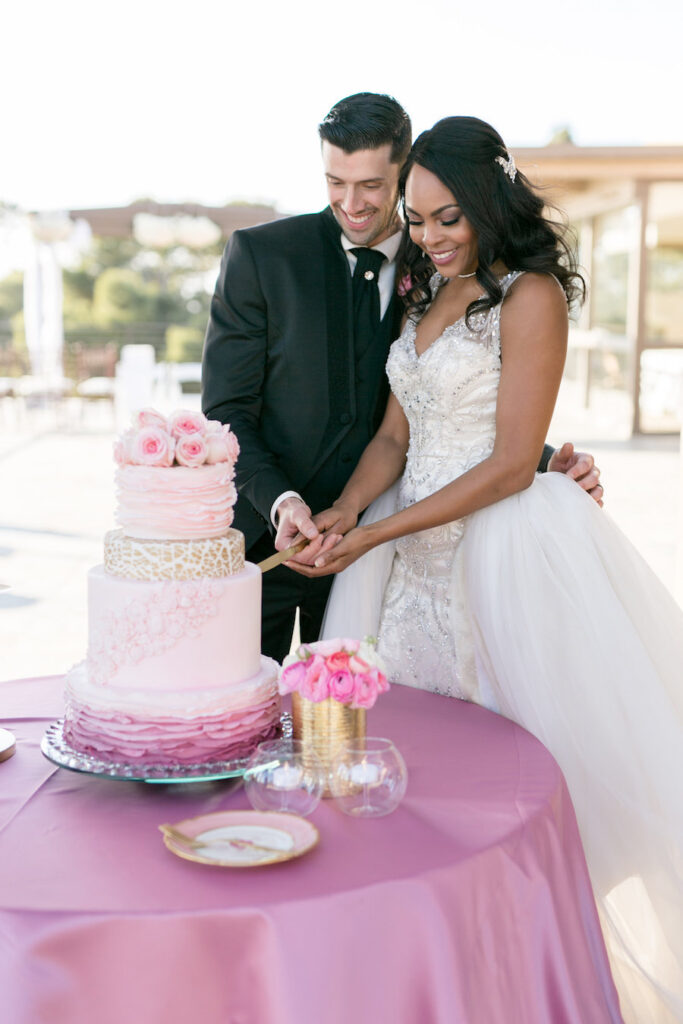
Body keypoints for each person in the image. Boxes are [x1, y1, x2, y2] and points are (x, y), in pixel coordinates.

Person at [291, 116, 683, 1024]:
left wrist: (377, 537)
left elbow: (511, 463)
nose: (427, 237)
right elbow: (396, 434)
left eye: (446, 218)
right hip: (407, 565)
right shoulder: (426, 290)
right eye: (418, 219)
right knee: (413, 771)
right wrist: (348, 512)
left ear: (492, 201)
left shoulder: (531, 295)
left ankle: (518, 981)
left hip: (498, 557)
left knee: (508, 784)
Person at [202, 92, 602, 666]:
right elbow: (229, 409)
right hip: (276, 543)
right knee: (240, 723)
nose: (352, 202)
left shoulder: (445, 267)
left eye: (370, 184)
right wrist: (296, 504)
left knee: (370, 730)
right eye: (335, 182)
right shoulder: (267, 257)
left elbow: (472, 413)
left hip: (393, 553)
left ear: (405, 169)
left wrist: (549, 468)